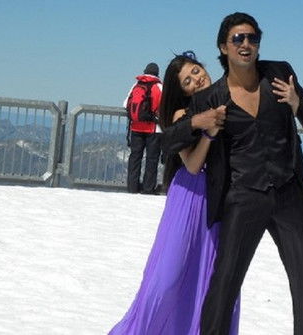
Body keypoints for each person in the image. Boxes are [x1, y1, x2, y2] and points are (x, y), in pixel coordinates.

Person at [163, 12, 303, 335]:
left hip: (289, 195)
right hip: (243, 199)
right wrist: (199, 122)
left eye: (252, 37)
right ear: (223, 47)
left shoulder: (279, 74)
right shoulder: (209, 98)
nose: (246, 44)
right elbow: (169, 140)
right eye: (238, 38)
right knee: (223, 287)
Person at [112, 50, 280, 334]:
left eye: (195, 71)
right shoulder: (182, 114)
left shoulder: (228, 100)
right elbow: (191, 164)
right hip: (189, 196)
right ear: (182, 91)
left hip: (221, 198)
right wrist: (208, 132)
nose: (195, 80)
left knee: (214, 279)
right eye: (186, 81)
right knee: (168, 277)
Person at [123, 62, 163, 194]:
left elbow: (125, 104)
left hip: (136, 127)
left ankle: (132, 187)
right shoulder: (159, 86)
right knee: (152, 159)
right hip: (154, 129)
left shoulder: (136, 85)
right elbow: (164, 107)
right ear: (157, 73)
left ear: (145, 71)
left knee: (135, 157)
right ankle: (148, 188)